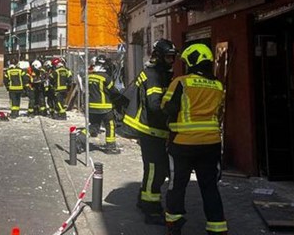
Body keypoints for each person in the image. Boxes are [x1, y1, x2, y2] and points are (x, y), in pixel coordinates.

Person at [161, 43, 227, 235]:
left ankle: (174, 223)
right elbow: (220, 112)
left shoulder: (181, 82)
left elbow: (167, 107)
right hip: (211, 143)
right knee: (209, 186)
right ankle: (217, 227)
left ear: (192, 61)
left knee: (177, 184)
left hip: (183, 144)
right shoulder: (218, 85)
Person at [122, 39, 178, 225]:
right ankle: (151, 208)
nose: (171, 61)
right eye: (169, 57)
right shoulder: (154, 75)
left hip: (155, 130)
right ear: (159, 56)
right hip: (151, 130)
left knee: (155, 169)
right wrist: (174, 110)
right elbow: (155, 106)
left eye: (173, 57)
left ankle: (142, 199)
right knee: (155, 170)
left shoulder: (159, 72)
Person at [86, 54, 121, 154]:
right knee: (110, 125)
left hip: (91, 107)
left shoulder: (90, 76)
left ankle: (78, 139)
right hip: (105, 107)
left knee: (93, 126)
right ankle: (110, 147)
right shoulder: (105, 77)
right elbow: (113, 91)